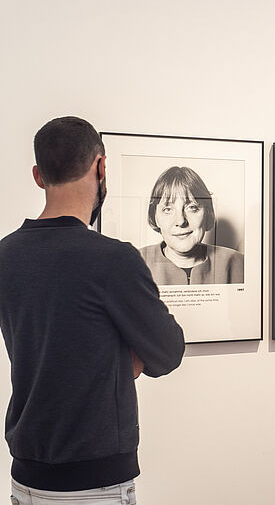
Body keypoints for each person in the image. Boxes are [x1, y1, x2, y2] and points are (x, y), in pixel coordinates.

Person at [0, 116, 185, 503]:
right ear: (101, 167)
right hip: (95, 480)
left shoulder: (5, 254)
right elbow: (168, 352)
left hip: (25, 475)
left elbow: (49, 343)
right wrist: (120, 362)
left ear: (38, 175)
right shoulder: (112, 260)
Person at [140, 166, 244, 285]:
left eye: (192, 208)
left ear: (207, 214)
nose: (180, 221)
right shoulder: (135, 264)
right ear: (155, 217)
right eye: (168, 209)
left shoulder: (238, 264)